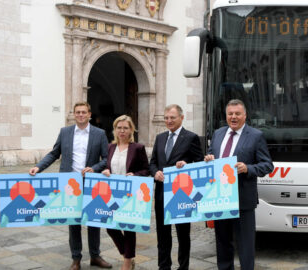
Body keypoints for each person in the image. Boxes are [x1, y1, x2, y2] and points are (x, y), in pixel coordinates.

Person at [29, 101, 111, 270]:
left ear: (89, 114)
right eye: (77, 112)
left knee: (93, 220)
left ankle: (95, 256)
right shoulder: (65, 132)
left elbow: (106, 159)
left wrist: (94, 168)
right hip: (69, 184)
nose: (80, 115)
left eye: (83, 112)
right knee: (73, 221)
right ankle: (76, 258)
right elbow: (54, 153)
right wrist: (39, 167)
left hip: (91, 183)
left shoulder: (100, 133)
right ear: (74, 115)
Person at [204, 99, 274, 270]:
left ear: (245, 116)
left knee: (245, 245)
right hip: (220, 198)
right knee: (222, 243)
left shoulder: (256, 136)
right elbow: (211, 154)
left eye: (237, 114)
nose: (233, 117)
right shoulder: (218, 133)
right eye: (230, 114)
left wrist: (247, 168)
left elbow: (267, 165)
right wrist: (208, 159)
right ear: (226, 115)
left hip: (243, 199)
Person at [149, 104, 203, 270]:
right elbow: (153, 162)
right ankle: (164, 265)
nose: (169, 121)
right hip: (161, 193)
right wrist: (155, 173)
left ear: (181, 117)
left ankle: (183, 266)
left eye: (172, 117)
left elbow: (199, 163)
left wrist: (186, 165)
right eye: (166, 118)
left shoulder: (191, 137)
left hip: (181, 195)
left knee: (182, 233)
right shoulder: (160, 137)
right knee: (162, 233)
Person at [101, 115, 149, 270]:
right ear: (115, 129)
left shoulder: (137, 148)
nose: (122, 131)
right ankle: (126, 254)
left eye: (125, 128)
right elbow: (104, 165)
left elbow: (146, 170)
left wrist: (135, 175)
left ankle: (127, 262)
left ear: (131, 130)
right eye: (119, 127)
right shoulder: (109, 147)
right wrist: (105, 171)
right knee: (111, 227)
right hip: (112, 193)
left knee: (128, 227)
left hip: (130, 193)